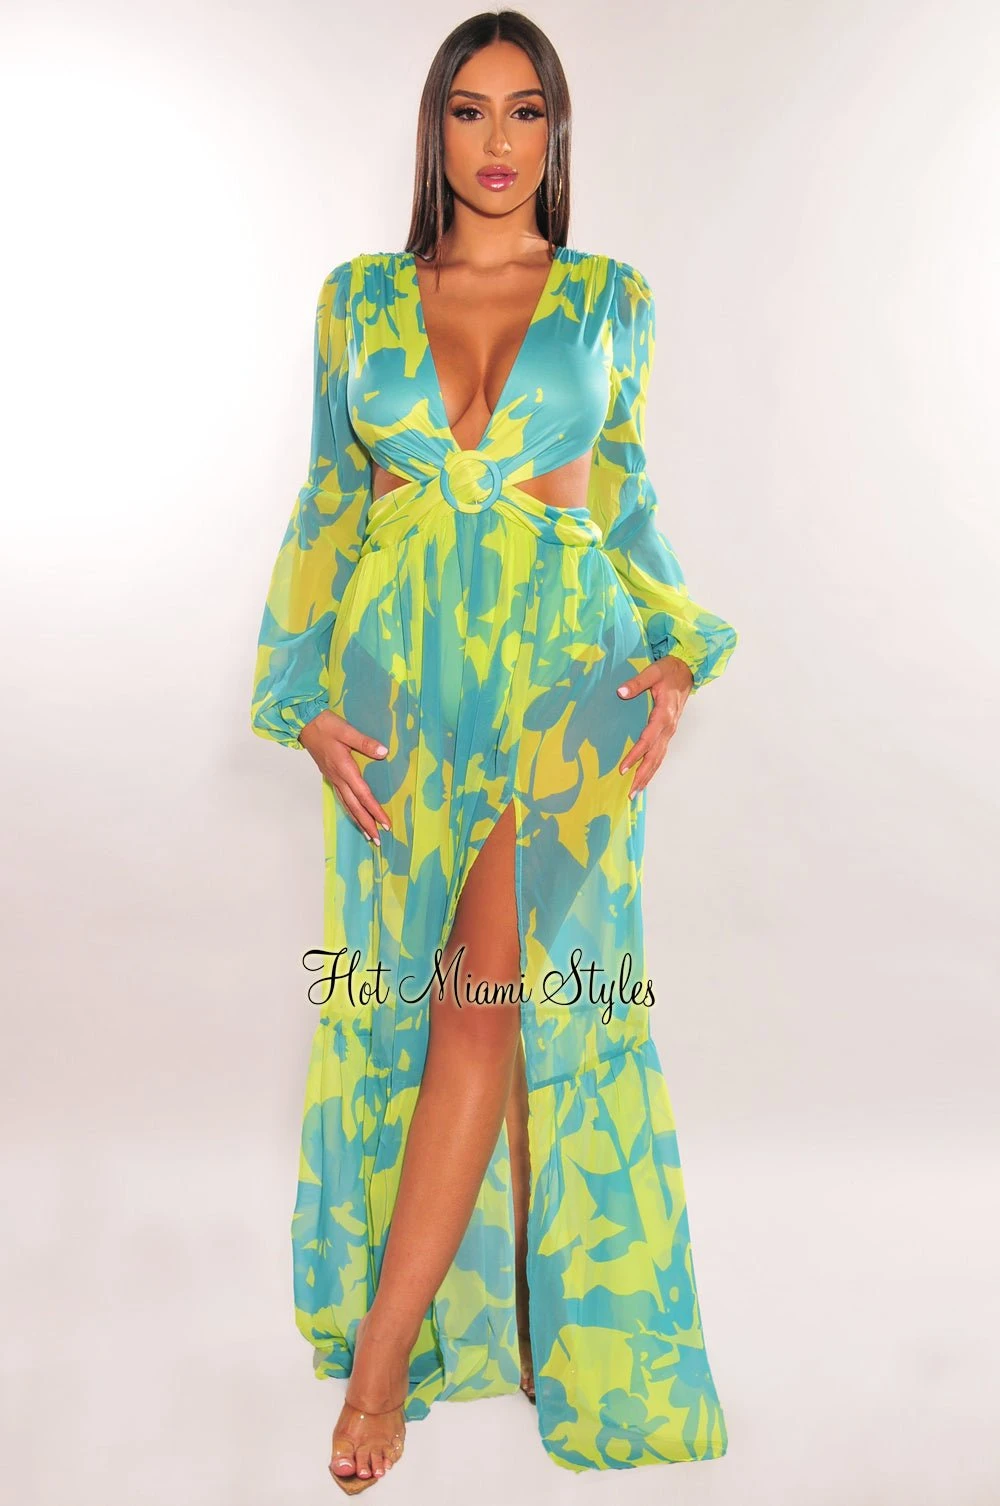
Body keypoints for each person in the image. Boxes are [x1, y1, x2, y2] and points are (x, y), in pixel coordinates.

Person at [250, 9, 738, 1492]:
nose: (500, 140)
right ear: (435, 129)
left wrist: (674, 649)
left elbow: (622, 500)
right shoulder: (358, 300)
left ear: (557, 132)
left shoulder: (608, 299)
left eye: (527, 111)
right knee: (420, 1008)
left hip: (569, 679)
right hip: (402, 687)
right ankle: (516, 1317)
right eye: (470, 110)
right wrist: (297, 690)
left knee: (487, 997)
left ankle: (383, 1367)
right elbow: (329, 503)